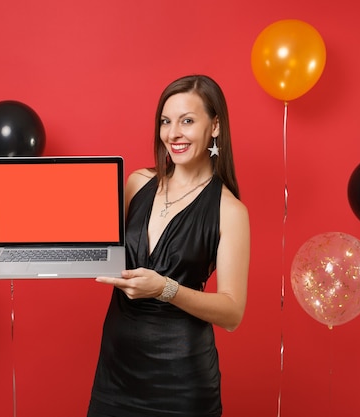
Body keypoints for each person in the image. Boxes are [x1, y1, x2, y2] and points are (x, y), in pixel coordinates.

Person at [87, 74, 250, 417]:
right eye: (165, 121)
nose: (172, 133)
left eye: (187, 121)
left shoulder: (229, 210)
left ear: (215, 126)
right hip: (115, 373)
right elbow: (102, 251)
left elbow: (233, 313)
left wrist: (166, 289)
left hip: (182, 382)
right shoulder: (137, 183)